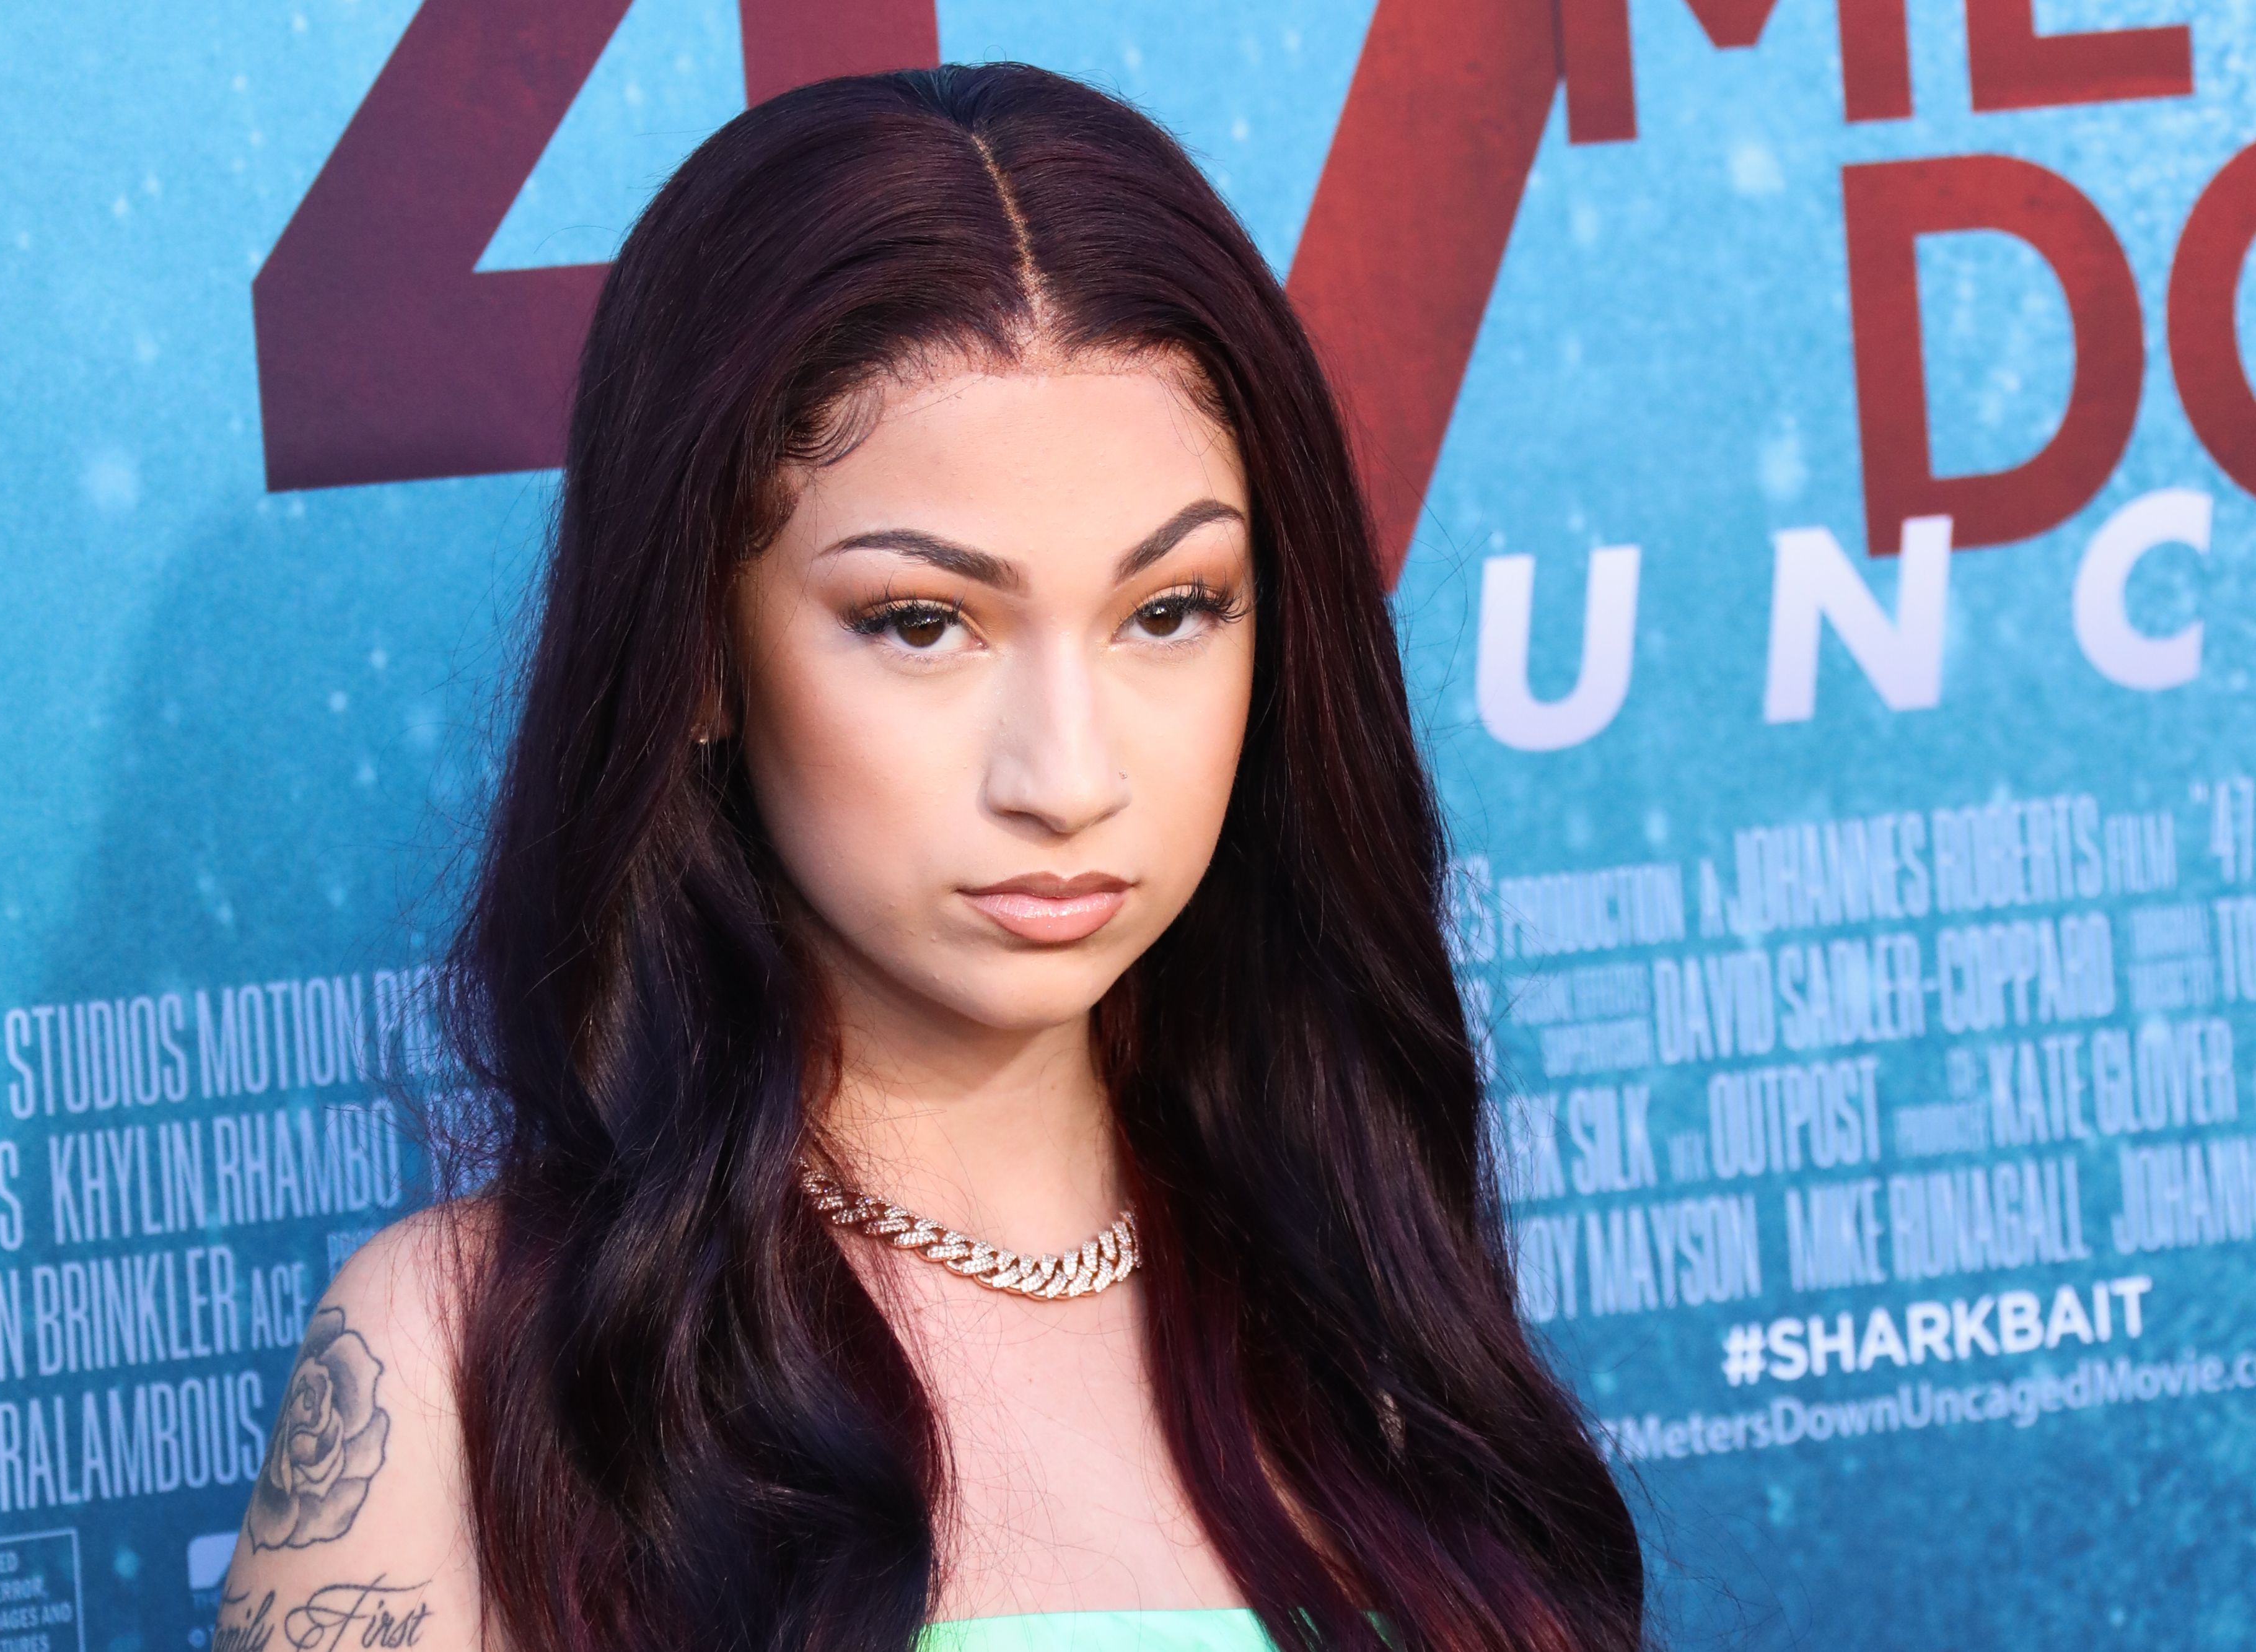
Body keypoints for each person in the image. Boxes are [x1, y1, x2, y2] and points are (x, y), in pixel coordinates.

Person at [216, 63, 1643, 1652]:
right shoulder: (461, 1360)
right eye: (919, 622)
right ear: (696, 652)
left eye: (1169, 610)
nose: (1068, 775)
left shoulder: (1372, 1311)